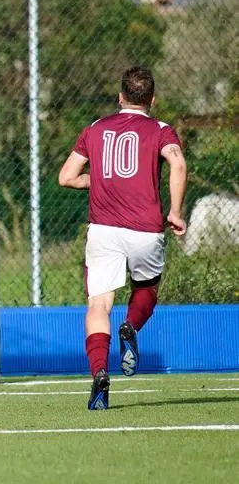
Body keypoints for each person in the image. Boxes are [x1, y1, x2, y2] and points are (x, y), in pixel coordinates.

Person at [58, 65, 188, 410]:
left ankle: (100, 372)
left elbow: (66, 177)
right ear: (152, 100)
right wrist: (175, 211)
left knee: (98, 304)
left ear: (120, 97)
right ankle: (130, 326)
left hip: (103, 230)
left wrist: (98, 180)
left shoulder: (96, 128)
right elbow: (177, 164)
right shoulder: (161, 130)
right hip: (145, 229)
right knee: (146, 288)